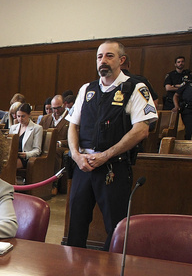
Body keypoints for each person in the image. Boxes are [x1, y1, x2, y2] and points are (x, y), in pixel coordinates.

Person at [66, 40, 156, 248]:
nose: (103, 61)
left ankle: (111, 274)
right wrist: (75, 155)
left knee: (116, 227)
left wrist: (105, 155)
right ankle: (71, 273)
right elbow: (73, 126)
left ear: (121, 60)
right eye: (99, 56)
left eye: (109, 56)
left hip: (113, 167)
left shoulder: (134, 88)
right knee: (76, 224)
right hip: (83, 166)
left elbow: (142, 129)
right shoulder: (87, 89)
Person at [15, 104, 43, 170]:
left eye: (23, 116)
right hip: (13, 156)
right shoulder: (14, 128)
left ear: (29, 115)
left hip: (26, 158)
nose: (20, 119)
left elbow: (37, 150)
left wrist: (26, 154)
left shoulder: (37, 128)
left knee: (8, 165)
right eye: (18, 116)